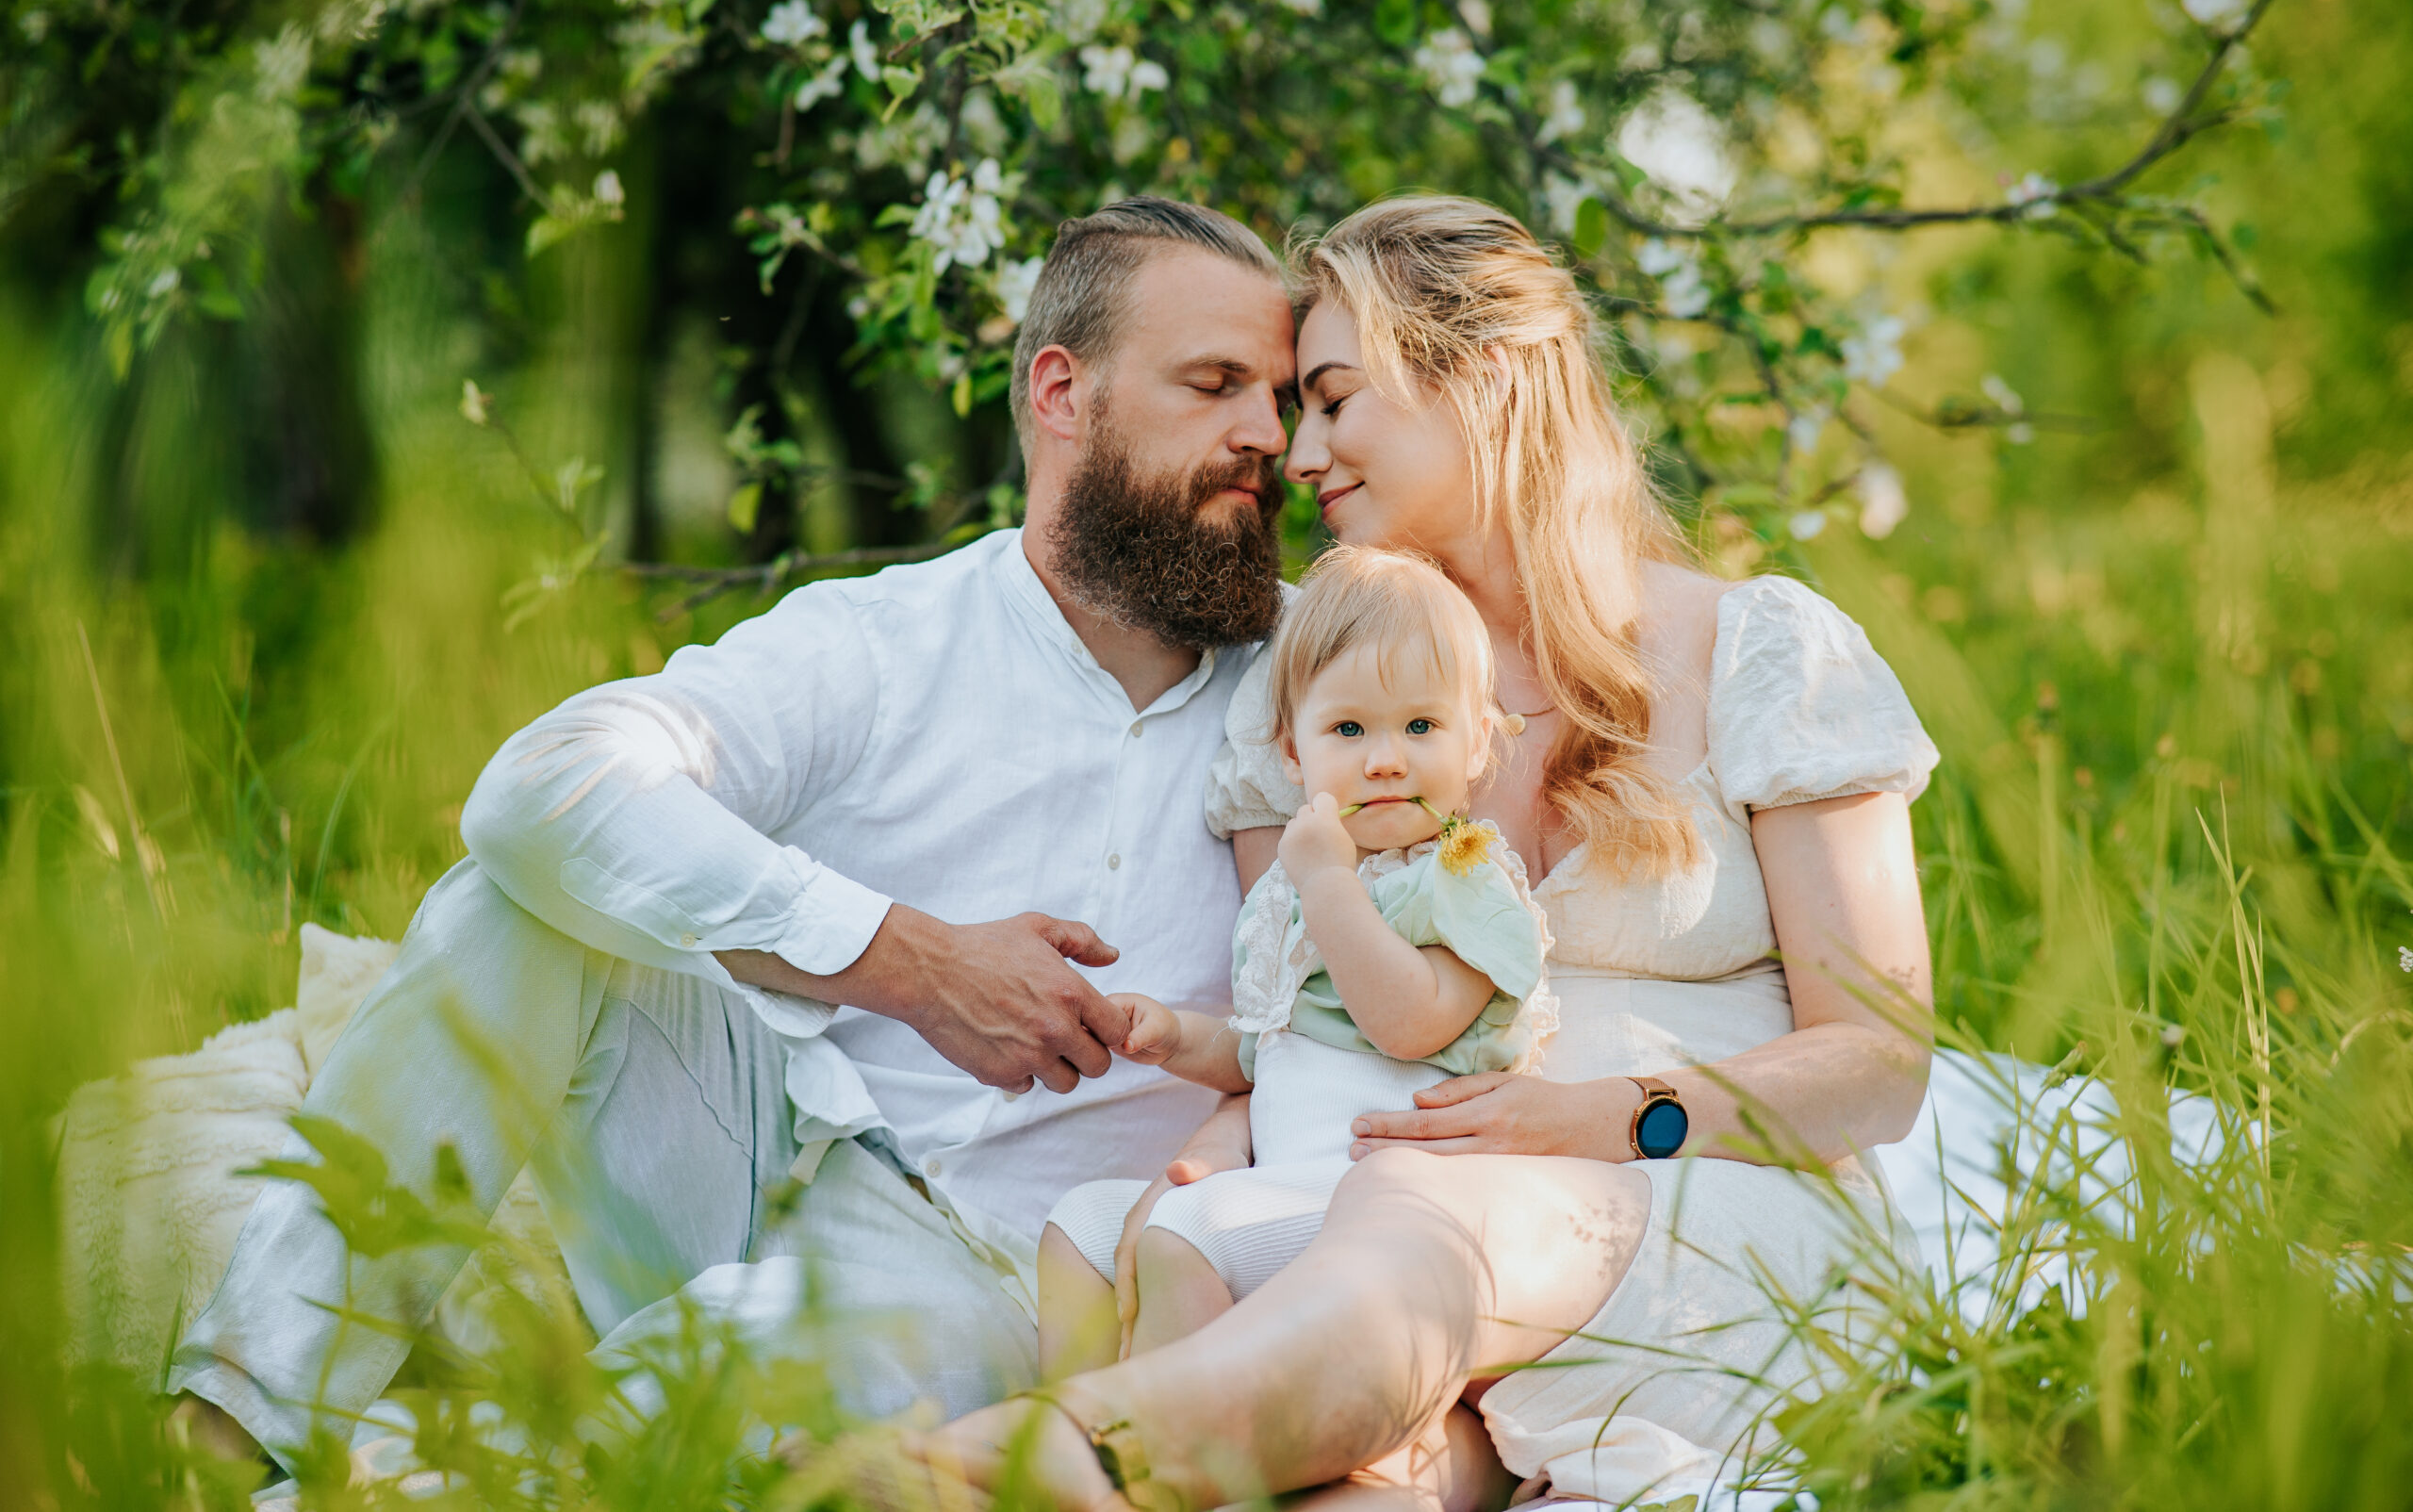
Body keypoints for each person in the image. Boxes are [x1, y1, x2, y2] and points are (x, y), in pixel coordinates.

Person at [165, 196, 1300, 1471]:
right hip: (753, 1143)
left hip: (996, 1271)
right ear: (1060, 393)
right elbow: (543, 783)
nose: (1267, 436)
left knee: (657, 1413)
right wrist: (911, 961)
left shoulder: (1331, 686)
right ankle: (230, 1426)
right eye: (1214, 385)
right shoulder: (886, 641)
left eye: (1280, 398)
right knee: (519, 901)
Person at [916, 194, 1939, 1512]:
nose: (1298, 453)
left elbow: (1878, 1059)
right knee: (1348, 1467)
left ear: (1483, 380)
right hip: (1401, 1282)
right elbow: (1298, 1018)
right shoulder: (1320, 704)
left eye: (1335, 399)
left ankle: (1008, 1469)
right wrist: (1213, 1151)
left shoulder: (1762, 652)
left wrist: (1607, 1118)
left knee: (1425, 1221)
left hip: (1697, 1218)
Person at [1039, 548, 1553, 1373]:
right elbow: (1265, 1052)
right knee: (1082, 1226)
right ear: (1292, 754)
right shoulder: (1295, 890)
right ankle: (1065, 1444)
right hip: (1289, 1184)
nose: (1385, 758)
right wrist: (1174, 1036)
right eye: (1348, 729)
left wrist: (1326, 881)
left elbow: (1409, 1022)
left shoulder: (1464, 877)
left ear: (1477, 743)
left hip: (1393, 1199)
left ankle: (1171, 1443)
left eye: (1421, 726)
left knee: (1188, 1230)